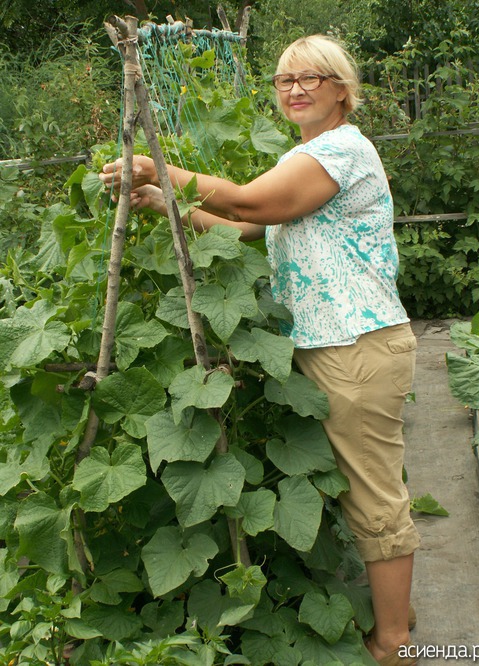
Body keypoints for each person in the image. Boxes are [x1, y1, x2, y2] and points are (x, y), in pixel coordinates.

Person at [100, 34, 420, 666]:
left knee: (374, 496)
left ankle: (397, 646)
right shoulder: (307, 153)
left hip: (355, 347)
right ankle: (396, 615)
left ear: (340, 89)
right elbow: (247, 226)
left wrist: (159, 168)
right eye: (283, 80)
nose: (295, 88)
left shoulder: (342, 149)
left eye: (310, 78)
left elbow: (253, 200)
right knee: (365, 488)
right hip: (331, 344)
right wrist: (168, 202)